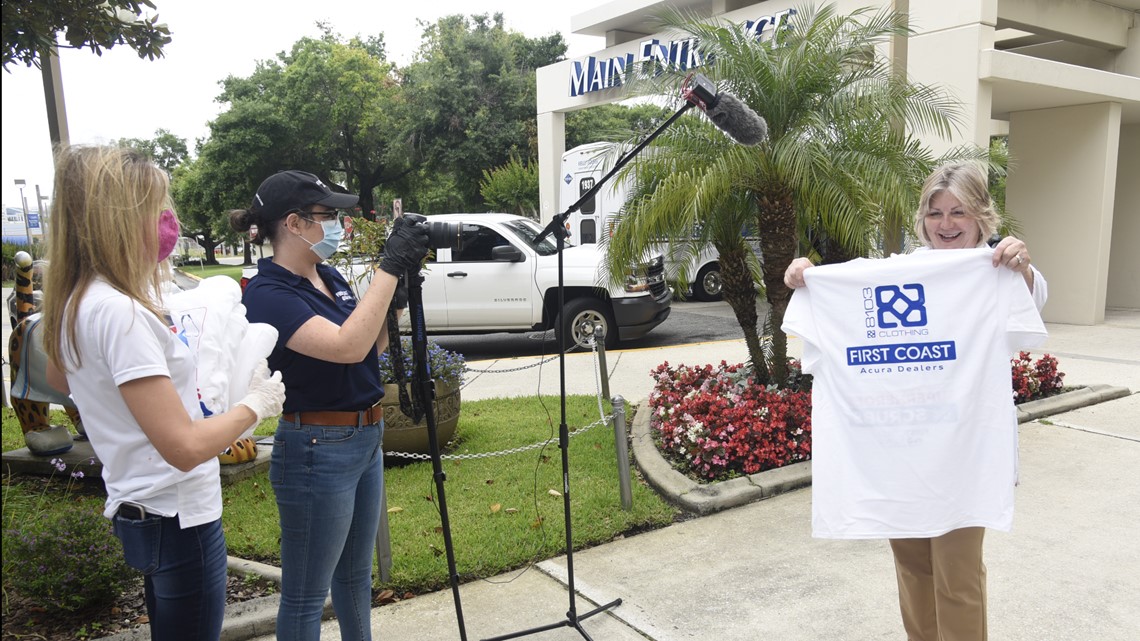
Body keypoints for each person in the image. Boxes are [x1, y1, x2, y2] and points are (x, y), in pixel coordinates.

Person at [783, 161, 1047, 641]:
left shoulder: (997, 267)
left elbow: (1031, 301)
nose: (945, 225)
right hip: (898, 453)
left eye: (958, 213)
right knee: (912, 569)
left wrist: (1022, 267)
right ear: (922, 219)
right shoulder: (900, 270)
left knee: (957, 576)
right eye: (934, 213)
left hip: (963, 454)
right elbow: (843, 291)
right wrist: (808, 277)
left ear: (982, 217)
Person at [40, 145, 286, 641]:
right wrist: (254, 406)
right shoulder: (121, 314)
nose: (165, 223)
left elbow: (61, 380)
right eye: (153, 209)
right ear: (116, 220)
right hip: (178, 515)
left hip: (139, 506)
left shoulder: (77, 300)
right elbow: (185, 447)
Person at [229, 170, 430, 641]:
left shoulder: (328, 275)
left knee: (355, 577)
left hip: (364, 437)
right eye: (328, 215)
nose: (338, 223)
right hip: (318, 447)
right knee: (305, 594)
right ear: (295, 224)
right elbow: (344, 346)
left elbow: (368, 350)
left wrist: (393, 305)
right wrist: (388, 268)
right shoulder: (268, 293)